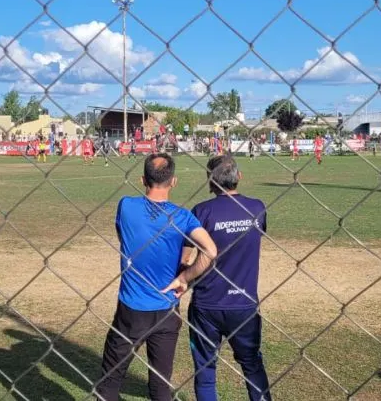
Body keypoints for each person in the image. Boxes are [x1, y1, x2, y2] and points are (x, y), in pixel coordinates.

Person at [94, 154, 217, 401]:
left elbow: (123, 236)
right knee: (160, 386)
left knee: (109, 384)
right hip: (166, 308)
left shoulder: (126, 205)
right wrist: (185, 277)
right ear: (174, 181)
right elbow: (210, 251)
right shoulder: (182, 217)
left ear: (142, 179)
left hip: (131, 310)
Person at [185, 156, 271, 401]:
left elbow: (187, 248)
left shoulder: (202, 211)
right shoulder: (256, 208)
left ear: (210, 181)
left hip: (206, 304)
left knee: (205, 370)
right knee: (252, 365)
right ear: (239, 177)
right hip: (244, 304)